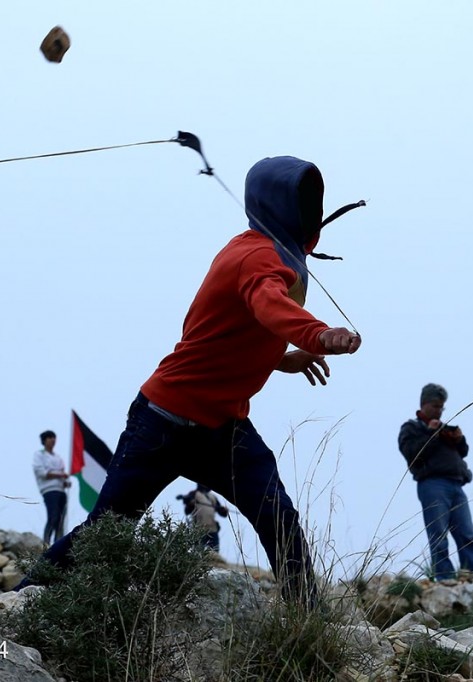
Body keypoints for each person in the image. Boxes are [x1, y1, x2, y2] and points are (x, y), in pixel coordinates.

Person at [24, 155, 362, 606]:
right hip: (163, 422)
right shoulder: (257, 258)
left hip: (224, 429)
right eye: (301, 201)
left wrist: (283, 358)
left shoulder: (264, 251)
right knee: (106, 530)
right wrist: (318, 334)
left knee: (277, 515)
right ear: (279, 205)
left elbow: (231, 333)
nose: (309, 213)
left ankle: (309, 615)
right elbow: (268, 304)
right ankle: (20, 598)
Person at [397, 383, 473, 581]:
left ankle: (471, 576)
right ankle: (445, 578)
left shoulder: (442, 428)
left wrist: (458, 439)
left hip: (456, 484)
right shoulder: (411, 428)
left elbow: (463, 451)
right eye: (435, 406)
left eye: (441, 407)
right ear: (424, 404)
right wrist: (430, 434)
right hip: (432, 485)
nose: (439, 411)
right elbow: (412, 453)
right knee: (439, 535)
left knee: (467, 535)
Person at [32, 429, 71, 545]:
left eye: (54, 437)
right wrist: (59, 475)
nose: (53, 440)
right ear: (44, 440)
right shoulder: (39, 455)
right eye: (50, 437)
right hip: (49, 490)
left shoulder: (58, 457)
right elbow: (41, 472)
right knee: (53, 516)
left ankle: (58, 543)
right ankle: (46, 542)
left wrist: (65, 481)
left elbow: (63, 474)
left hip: (61, 490)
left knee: (60, 519)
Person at [177, 484, 229, 552]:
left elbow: (221, 512)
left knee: (215, 553)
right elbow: (187, 511)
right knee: (198, 553)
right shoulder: (194, 494)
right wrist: (190, 504)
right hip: (199, 530)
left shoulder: (212, 497)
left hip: (212, 529)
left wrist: (224, 510)